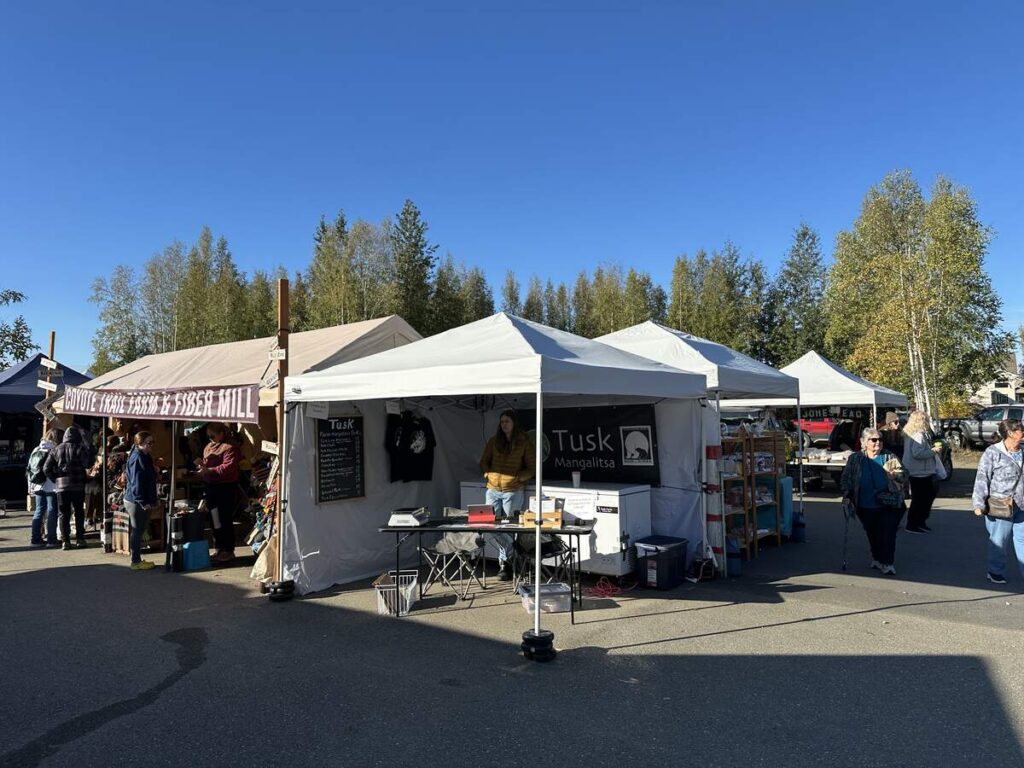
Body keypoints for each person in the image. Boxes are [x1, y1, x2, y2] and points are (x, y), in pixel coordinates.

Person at [840, 427, 907, 575]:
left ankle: (888, 563)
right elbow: (846, 479)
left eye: (880, 439)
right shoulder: (856, 459)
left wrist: (895, 476)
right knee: (872, 533)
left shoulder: (888, 457)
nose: (878, 443)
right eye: (874, 440)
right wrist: (846, 494)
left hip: (889, 503)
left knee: (888, 533)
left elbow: (903, 476)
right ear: (864, 442)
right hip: (865, 504)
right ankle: (877, 558)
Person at [479, 410, 535, 581]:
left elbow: (532, 467)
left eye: (507, 421)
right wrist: (487, 474)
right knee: (490, 525)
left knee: (509, 528)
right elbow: (484, 461)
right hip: (493, 490)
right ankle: (514, 554)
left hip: (513, 491)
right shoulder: (494, 441)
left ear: (514, 423)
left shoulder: (524, 443)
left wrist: (517, 478)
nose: (504, 424)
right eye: (502, 421)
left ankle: (504, 565)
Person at [971, 419, 1024, 585]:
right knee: (999, 540)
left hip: (1021, 504)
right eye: (1021, 430)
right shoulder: (992, 452)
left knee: (1022, 540)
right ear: (1011, 433)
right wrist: (978, 504)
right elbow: (982, 478)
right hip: (1000, 505)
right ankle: (995, 572)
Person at [43, 425, 94, 550]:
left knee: (63, 514)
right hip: (78, 485)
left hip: (62, 486)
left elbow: (46, 468)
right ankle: (80, 539)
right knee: (79, 512)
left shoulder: (56, 449)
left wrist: (55, 478)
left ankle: (66, 541)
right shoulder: (79, 448)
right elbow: (88, 463)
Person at [197, 422, 241, 563]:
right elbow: (206, 463)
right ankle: (219, 548)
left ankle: (228, 550)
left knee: (224, 518)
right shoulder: (209, 446)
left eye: (213, 435)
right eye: (208, 435)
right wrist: (201, 466)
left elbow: (228, 467)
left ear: (222, 433)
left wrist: (210, 470)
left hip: (225, 487)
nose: (210, 438)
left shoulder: (230, 447)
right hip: (211, 486)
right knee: (214, 519)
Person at [123, 431, 158, 571]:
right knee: (137, 530)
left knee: (140, 529)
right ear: (140, 444)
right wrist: (142, 501)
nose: (151, 445)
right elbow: (136, 482)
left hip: (138, 499)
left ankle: (136, 559)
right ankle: (135, 561)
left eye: (152, 442)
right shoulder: (138, 457)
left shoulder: (144, 456)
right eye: (148, 443)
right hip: (135, 500)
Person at [902, 410, 941, 533]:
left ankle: (919, 522)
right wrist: (933, 451)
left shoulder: (911, 433)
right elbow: (917, 453)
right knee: (922, 499)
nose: (928, 422)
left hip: (916, 470)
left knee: (922, 498)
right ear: (920, 421)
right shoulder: (919, 434)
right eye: (926, 420)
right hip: (920, 471)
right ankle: (913, 524)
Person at [26, 429, 60, 548]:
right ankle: (51, 539)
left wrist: (30, 486)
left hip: (37, 484)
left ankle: (35, 539)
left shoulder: (36, 449)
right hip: (51, 486)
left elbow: (29, 468)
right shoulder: (54, 450)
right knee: (52, 511)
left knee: (39, 511)